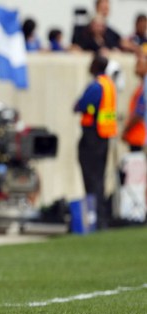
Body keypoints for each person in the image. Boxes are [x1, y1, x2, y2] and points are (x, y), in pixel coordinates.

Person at [73, 54, 117, 230]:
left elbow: (81, 105)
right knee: (99, 178)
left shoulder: (97, 85)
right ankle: (100, 217)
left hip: (93, 135)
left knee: (92, 178)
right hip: (104, 135)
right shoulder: (109, 85)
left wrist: (82, 106)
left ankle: (95, 218)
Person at [122, 53, 147, 152]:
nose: (135, 68)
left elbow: (139, 113)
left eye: (138, 64)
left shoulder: (145, 87)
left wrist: (125, 130)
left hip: (139, 134)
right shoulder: (142, 85)